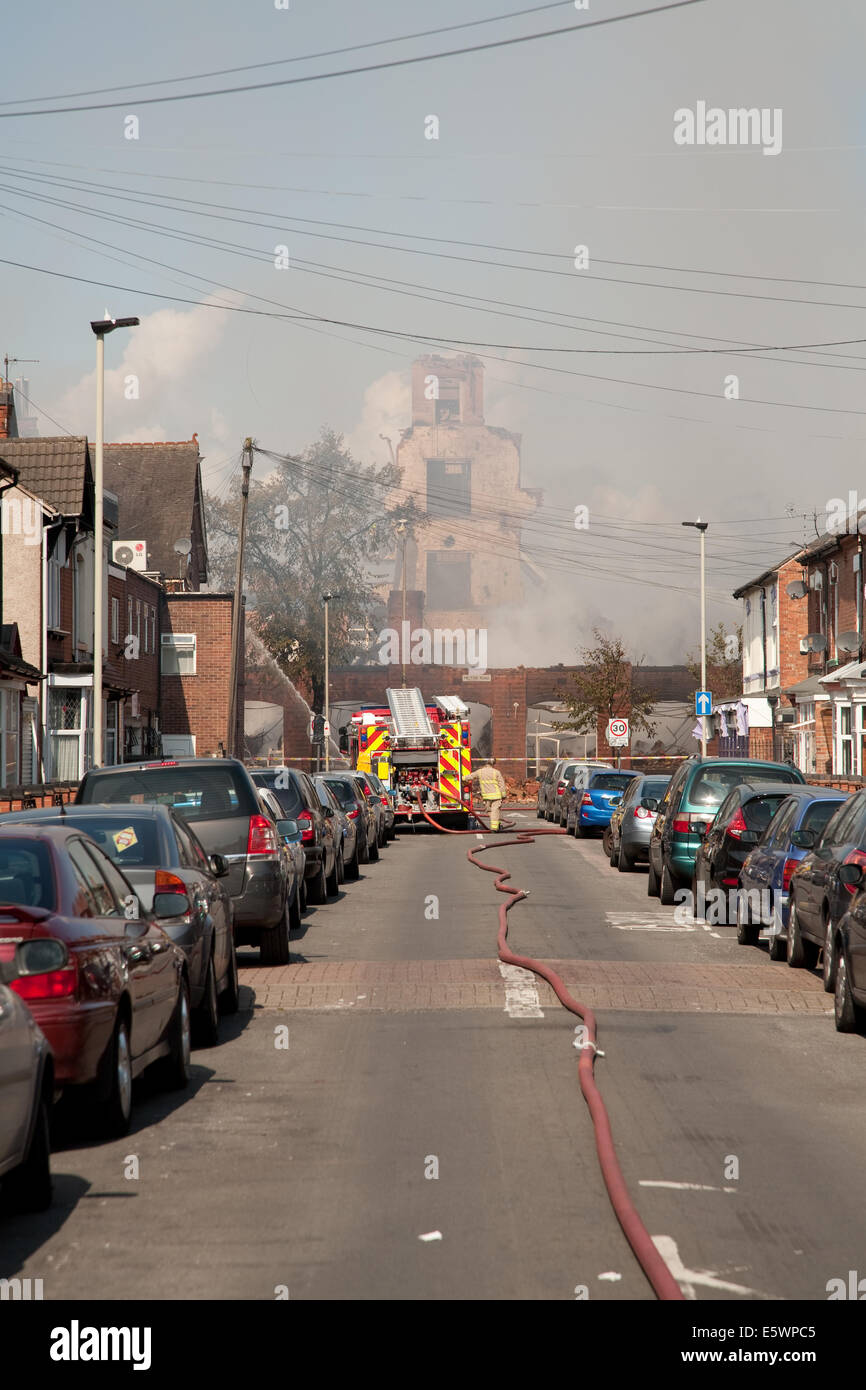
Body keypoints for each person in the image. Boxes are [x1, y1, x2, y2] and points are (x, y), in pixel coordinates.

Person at [465, 756, 507, 830]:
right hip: (496, 796)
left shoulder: (480, 771)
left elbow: (471, 776)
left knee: (489, 811)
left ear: (486, 763)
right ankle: (495, 827)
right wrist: (503, 795)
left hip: (487, 797)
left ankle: (496, 825)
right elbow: (502, 784)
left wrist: (462, 778)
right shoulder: (496, 772)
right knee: (495, 811)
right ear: (493, 764)